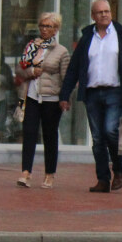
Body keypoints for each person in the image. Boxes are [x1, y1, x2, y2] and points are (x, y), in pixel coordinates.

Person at [59, 0, 122, 193]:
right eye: (100, 12)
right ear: (93, 16)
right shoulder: (87, 37)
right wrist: (65, 94)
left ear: (111, 14)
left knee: (110, 131)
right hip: (92, 92)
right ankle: (103, 179)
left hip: (115, 91)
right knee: (98, 138)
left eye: (107, 11)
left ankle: (118, 169)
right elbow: (74, 68)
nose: (104, 15)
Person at [17, 13, 71, 189]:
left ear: (56, 29)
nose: (44, 29)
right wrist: (31, 72)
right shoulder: (32, 46)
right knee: (29, 132)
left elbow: (67, 77)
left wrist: (64, 98)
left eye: (48, 26)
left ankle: (49, 173)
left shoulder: (61, 51)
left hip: (51, 98)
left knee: (49, 135)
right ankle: (26, 172)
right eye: (42, 25)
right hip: (32, 95)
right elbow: (20, 69)